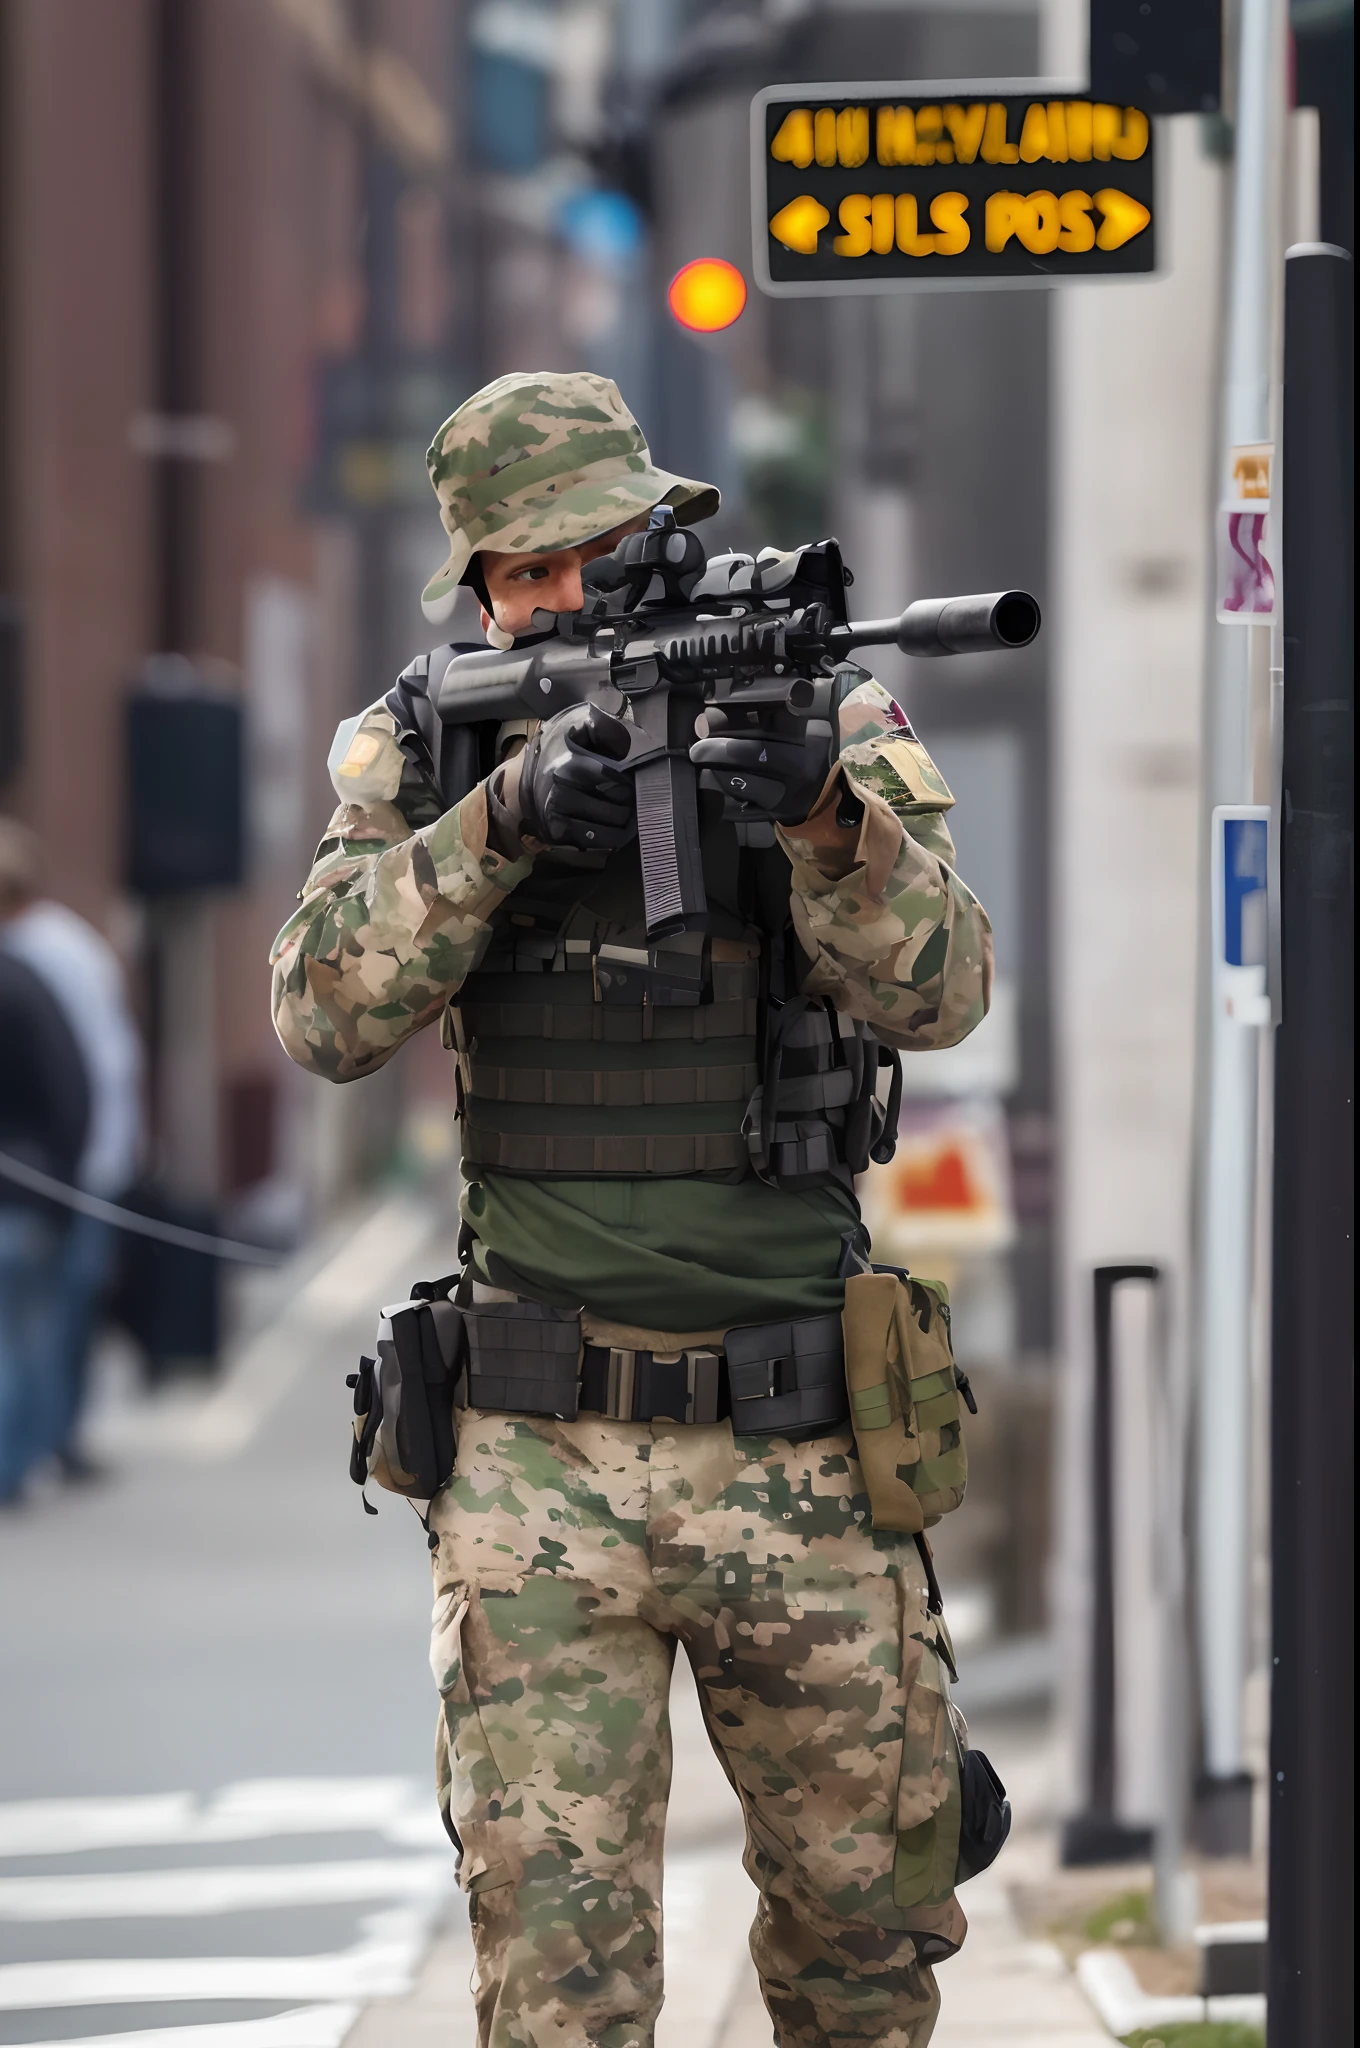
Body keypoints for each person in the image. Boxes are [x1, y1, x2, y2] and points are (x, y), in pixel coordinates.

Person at [271, 371, 993, 2047]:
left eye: (614, 546)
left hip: (803, 1436)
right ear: (485, 590)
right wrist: (499, 824)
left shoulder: (824, 711)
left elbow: (944, 992)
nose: (582, 590)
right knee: (559, 1992)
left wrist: (823, 818)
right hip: (536, 1465)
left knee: (867, 1949)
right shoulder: (429, 738)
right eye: (539, 567)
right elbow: (321, 1011)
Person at [0, 820, 145, 1481]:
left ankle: (26, 1454)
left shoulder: (27, 958)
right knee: (59, 1317)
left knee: (34, 1325)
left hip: (57, 1169)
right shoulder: (67, 942)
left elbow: (68, 1076)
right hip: (84, 1160)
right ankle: (54, 1442)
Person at [0, 828, 91, 1506]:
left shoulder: (28, 966)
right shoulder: (34, 973)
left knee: (17, 1341)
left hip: (22, 1188)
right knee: (29, 1339)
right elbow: (72, 1090)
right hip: (35, 1186)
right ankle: (25, 1459)